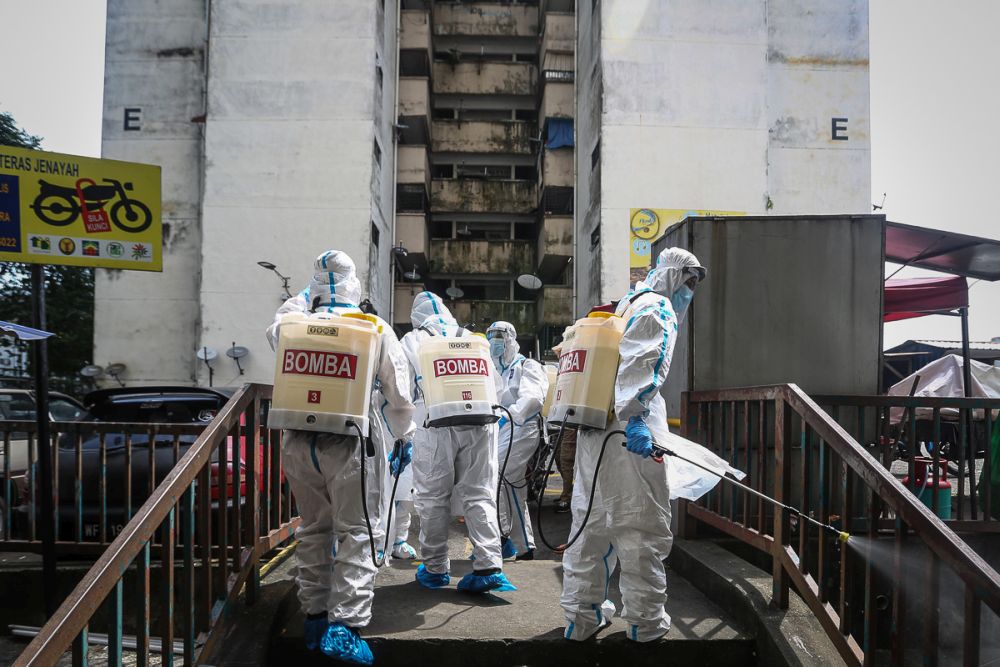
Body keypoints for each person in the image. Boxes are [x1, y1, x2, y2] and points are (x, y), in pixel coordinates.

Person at [266, 250, 416, 665]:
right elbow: (399, 394)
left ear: (313, 285)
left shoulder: (292, 325)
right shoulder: (372, 327)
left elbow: (275, 328)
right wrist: (405, 435)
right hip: (352, 442)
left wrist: (302, 298)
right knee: (360, 531)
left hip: (297, 439)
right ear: (356, 285)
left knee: (314, 528)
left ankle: (314, 616)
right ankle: (345, 627)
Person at [560, 247, 705, 643]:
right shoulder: (656, 309)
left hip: (596, 431)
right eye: (689, 282)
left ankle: (581, 619)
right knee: (640, 525)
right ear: (673, 276)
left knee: (589, 524)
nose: (689, 292)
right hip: (629, 434)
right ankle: (644, 624)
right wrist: (638, 417)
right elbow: (644, 362)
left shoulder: (624, 305)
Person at [399, 292, 515, 593]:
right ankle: (489, 565)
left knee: (433, 497)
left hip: (435, 425)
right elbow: (497, 386)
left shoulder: (413, 340)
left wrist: (401, 433)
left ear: (417, 317)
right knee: (480, 494)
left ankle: (436, 568)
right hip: (481, 422)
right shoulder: (471, 338)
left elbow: (401, 390)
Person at [487, 321, 549, 560]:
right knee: (513, 486)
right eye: (490, 335)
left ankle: (502, 537)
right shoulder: (494, 370)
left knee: (498, 475)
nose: (495, 340)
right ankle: (524, 546)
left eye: (500, 335)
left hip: (523, 428)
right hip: (500, 429)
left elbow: (532, 399)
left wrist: (508, 416)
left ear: (511, 338)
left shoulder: (527, 365)